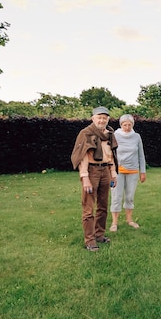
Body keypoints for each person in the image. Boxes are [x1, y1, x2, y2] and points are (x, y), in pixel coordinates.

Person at [70, 106, 118, 252]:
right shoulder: (86, 133)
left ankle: (99, 234)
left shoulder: (109, 134)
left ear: (108, 119)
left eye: (105, 117)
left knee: (103, 206)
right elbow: (82, 156)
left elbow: (111, 156)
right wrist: (85, 177)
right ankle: (89, 240)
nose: (102, 120)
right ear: (93, 118)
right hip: (91, 171)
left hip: (106, 171)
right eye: (99, 117)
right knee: (89, 208)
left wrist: (113, 173)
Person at [109, 114, 147, 232]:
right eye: (124, 124)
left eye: (129, 124)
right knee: (116, 196)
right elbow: (109, 153)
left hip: (133, 171)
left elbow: (141, 154)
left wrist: (143, 171)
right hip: (117, 171)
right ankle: (114, 222)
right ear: (121, 125)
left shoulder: (136, 137)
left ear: (132, 125)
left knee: (130, 196)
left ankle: (129, 220)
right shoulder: (115, 135)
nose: (127, 127)